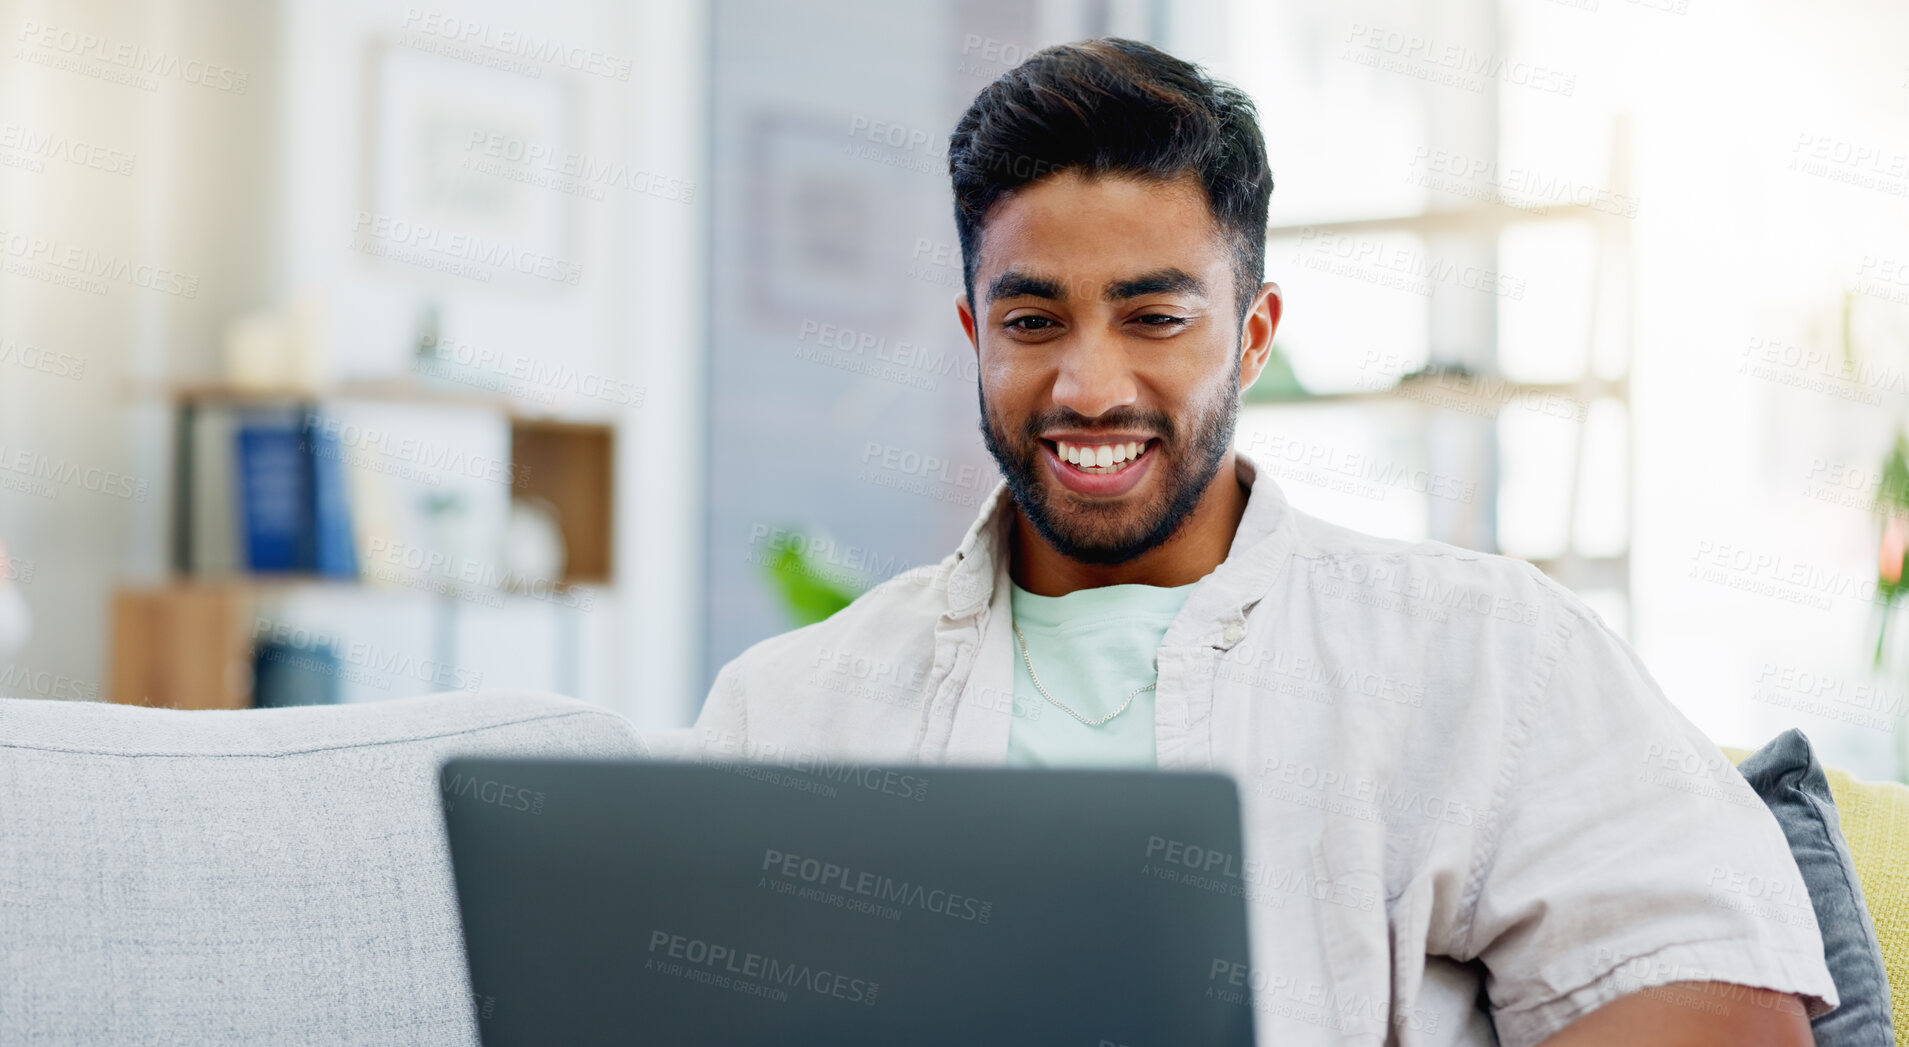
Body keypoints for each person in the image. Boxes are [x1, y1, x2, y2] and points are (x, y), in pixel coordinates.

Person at [689, 38, 1834, 1045]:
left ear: (1251, 336)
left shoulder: (1485, 650)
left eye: (1156, 318)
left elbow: (1721, 1006)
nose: (1089, 387)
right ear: (972, 335)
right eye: (1032, 322)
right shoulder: (787, 710)